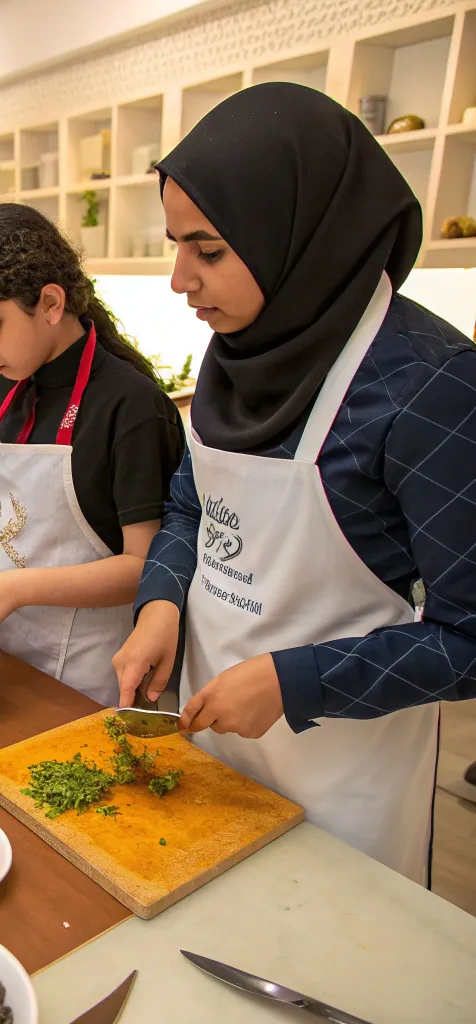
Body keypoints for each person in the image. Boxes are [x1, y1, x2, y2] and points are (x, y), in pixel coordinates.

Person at [113, 83, 476, 884]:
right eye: (176, 246)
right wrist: (162, 602)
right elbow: (190, 502)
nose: (181, 280)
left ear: (299, 233)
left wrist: (294, 680)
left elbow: (470, 639)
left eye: (207, 250)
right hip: (212, 739)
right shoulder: (241, 347)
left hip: (344, 772)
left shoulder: (428, 385)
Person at [0, 204, 185, 705]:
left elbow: (145, 566)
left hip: (87, 677)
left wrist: (15, 588)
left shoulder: (132, 406)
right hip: (3, 654)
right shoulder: (6, 386)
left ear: (51, 303)